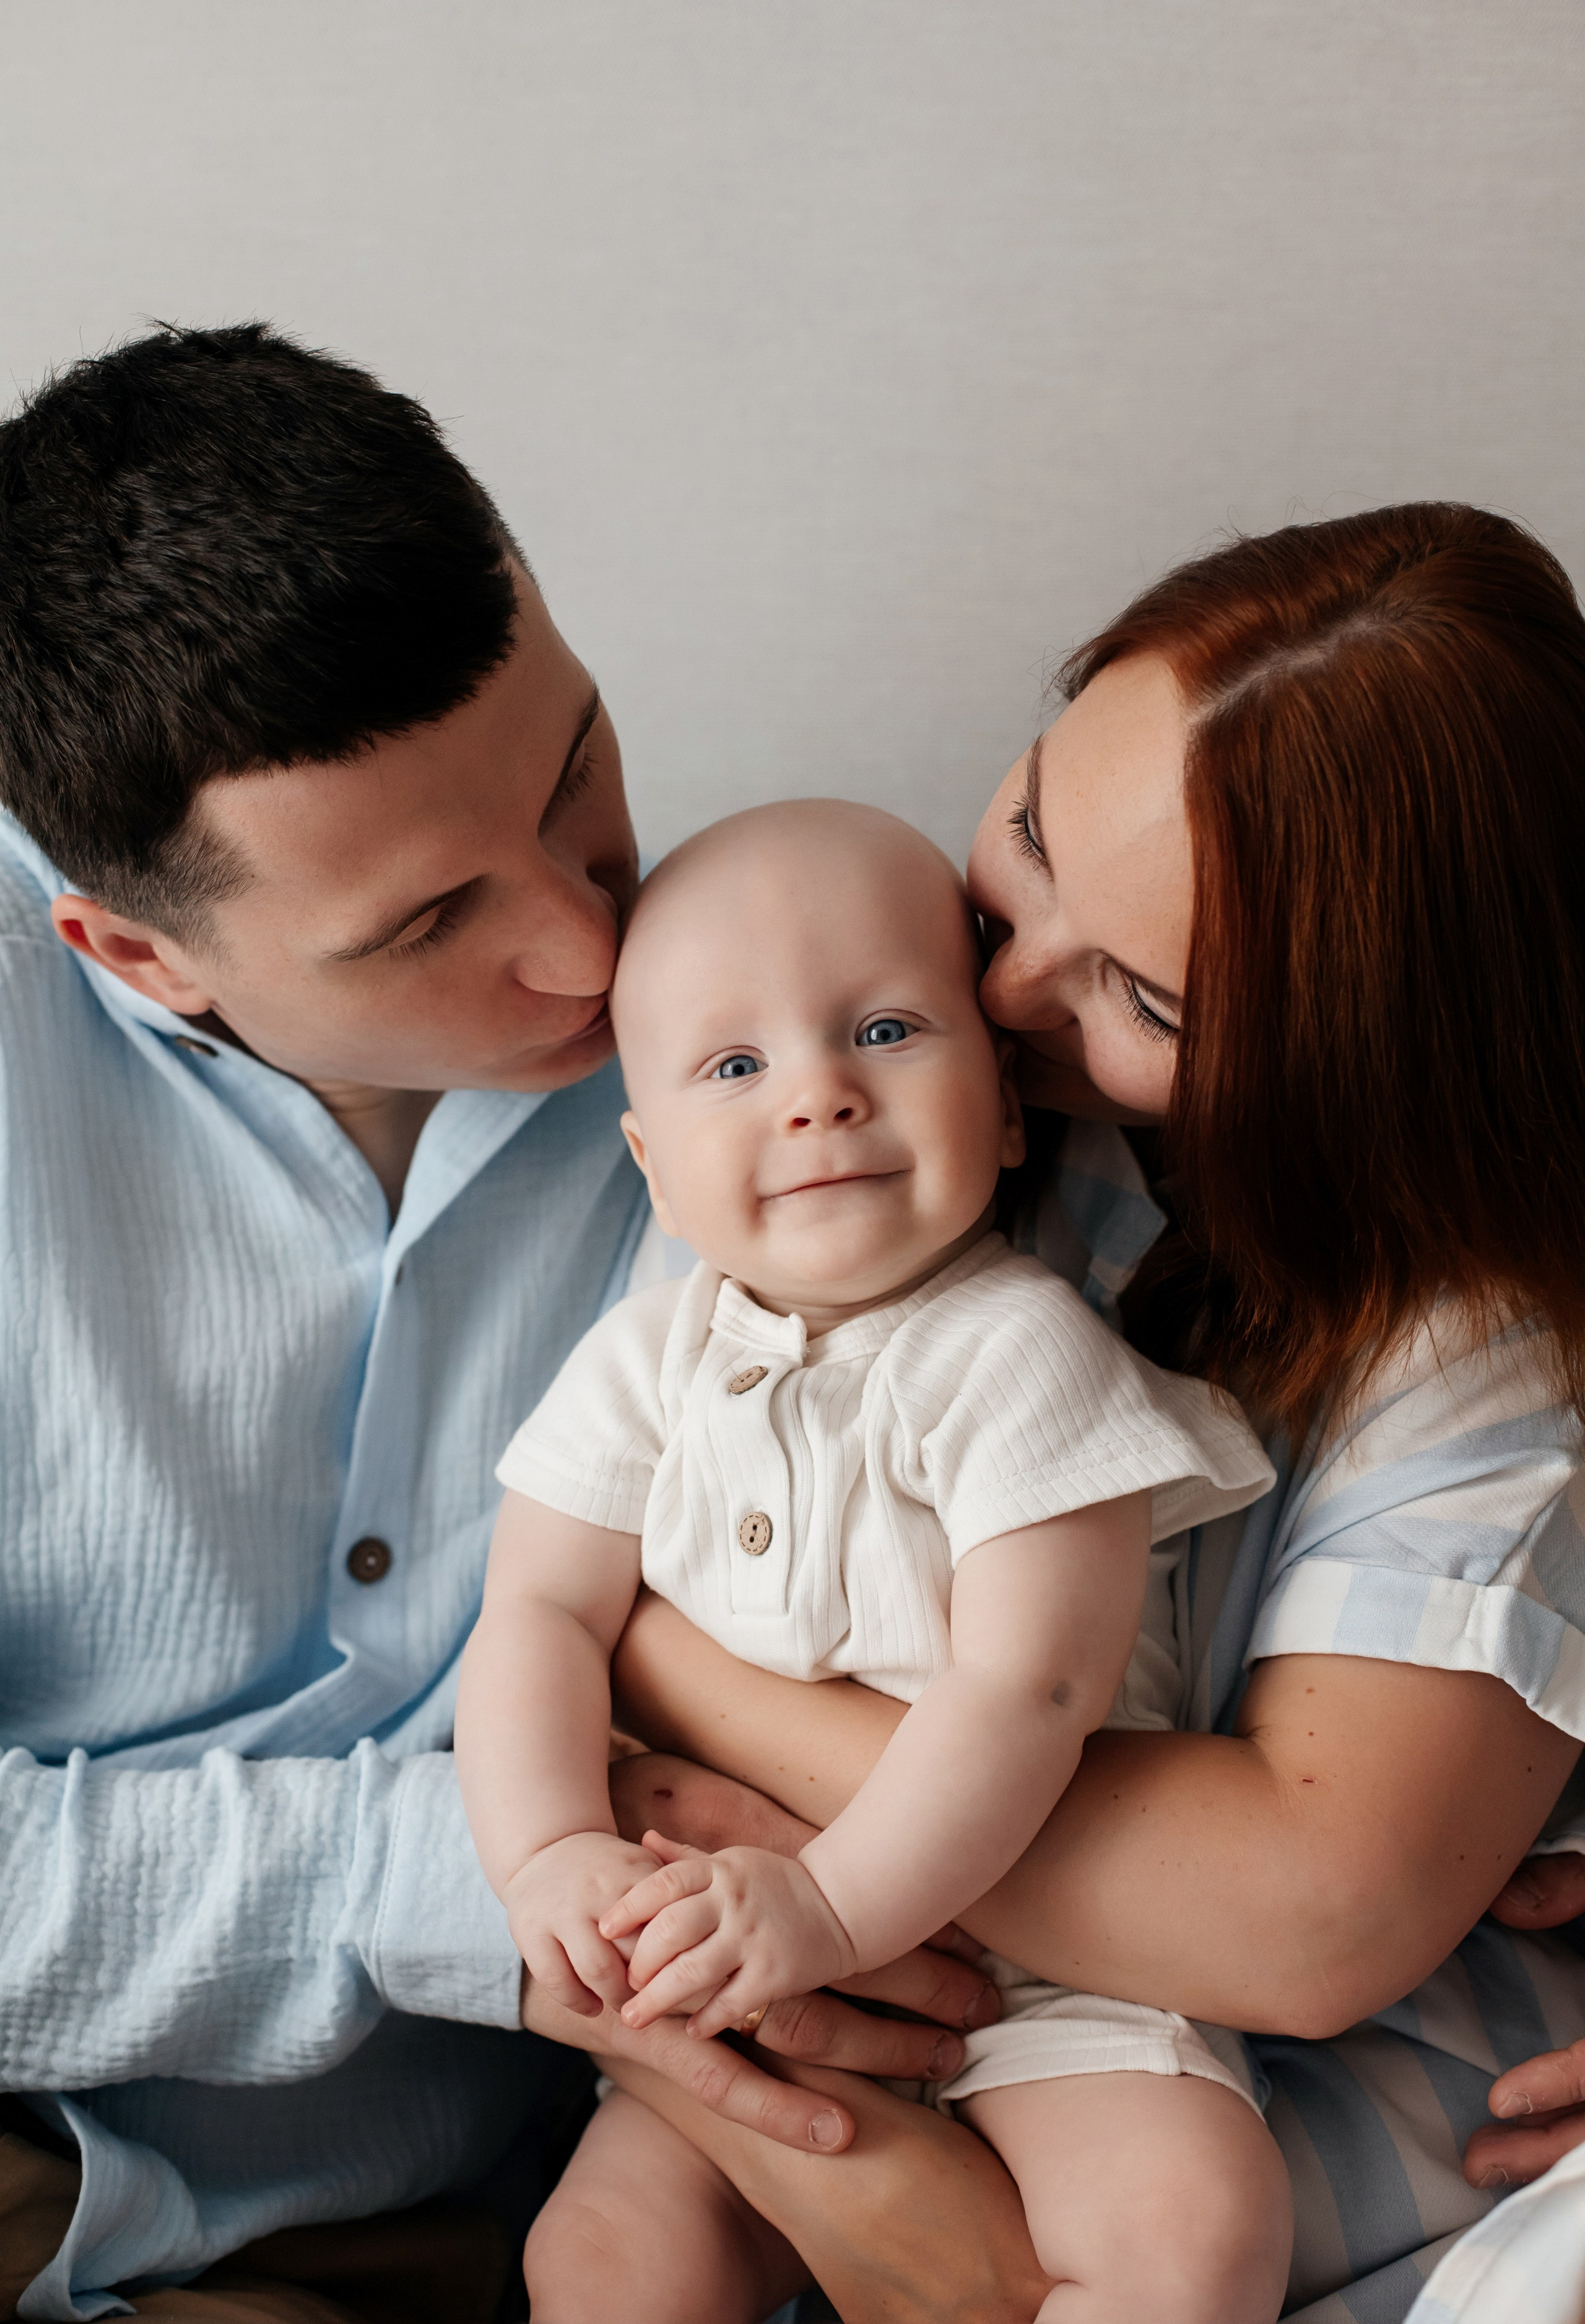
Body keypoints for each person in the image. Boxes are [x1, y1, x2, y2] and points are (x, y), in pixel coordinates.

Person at [0, 326, 989, 2324]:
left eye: (578, 772)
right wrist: (476, 1875)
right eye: (427, 922)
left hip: (548, 2208)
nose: (586, 940)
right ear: (138, 953)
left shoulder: (798, 1047)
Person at [511, 503, 1585, 2324]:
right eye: (1028, 832)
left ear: (1346, 1067)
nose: (1001, 986)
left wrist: (679, 1693)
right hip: (793, 2006)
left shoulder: (1469, 1339)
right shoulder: (827, 1107)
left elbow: (1304, 1911)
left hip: (1264, 2138)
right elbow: (552, 1590)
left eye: (1143, 996)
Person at [457, 800, 1286, 2323]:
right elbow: (537, 1615)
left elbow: (1024, 1690)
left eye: (886, 1031)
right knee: (600, 2259)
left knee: (1189, 2230)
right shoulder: (642, 1361)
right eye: (733, 1067)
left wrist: (832, 1912)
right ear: (650, 1164)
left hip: (1042, 1968)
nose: (818, 1096)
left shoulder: (1019, 1354)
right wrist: (548, 1852)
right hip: (728, 1939)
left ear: (1009, 1107)